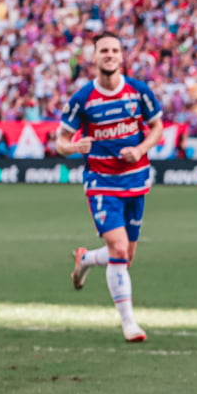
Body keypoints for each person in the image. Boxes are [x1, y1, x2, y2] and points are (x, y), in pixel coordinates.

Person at [56, 32, 164, 343]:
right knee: (118, 249)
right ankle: (129, 323)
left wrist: (141, 149)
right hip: (101, 182)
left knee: (125, 258)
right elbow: (60, 141)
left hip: (136, 178)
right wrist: (76, 147)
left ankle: (86, 259)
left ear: (122, 56)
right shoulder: (82, 99)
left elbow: (157, 126)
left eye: (115, 50)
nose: (110, 55)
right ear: (94, 57)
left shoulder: (138, 91)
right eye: (104, 50)